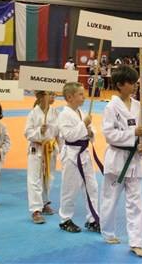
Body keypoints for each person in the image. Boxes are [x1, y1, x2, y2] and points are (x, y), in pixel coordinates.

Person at [99, 65, 142, 258]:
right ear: (120, 85)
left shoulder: (139, 107)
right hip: (117, 159)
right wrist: (132, 134)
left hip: (136, 160)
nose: (135, 85)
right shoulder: (111, 107)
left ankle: (137, 242)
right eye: (132, 82)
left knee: (136, 203)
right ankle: (107, 231)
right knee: (110, 199)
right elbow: (109, 134)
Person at [57, 82, 100, 233]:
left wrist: (90, 130)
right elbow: (69, 135)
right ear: (70, 97)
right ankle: (65, 219)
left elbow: (90, 131)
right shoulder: (63, 115)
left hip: (84, 154)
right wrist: (84, 125)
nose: (84, 97)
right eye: (80, 94)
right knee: (70, 189)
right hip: (71, 155)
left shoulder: (81, 112)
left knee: (92, 187)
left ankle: (93, 218)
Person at [25, 91, 59, 224]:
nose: (53, 97)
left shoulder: (55, 112)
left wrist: (61, 149)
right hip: (37, 149)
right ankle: (35, 210)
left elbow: (59, 133)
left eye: (54, 94)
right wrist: (40, 131)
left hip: (50, 149)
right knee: (34, 179)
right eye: (49, 94)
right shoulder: (33, 113)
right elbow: (27, 133)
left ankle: (44, 202)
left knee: (48, 177)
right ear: (40, 97)